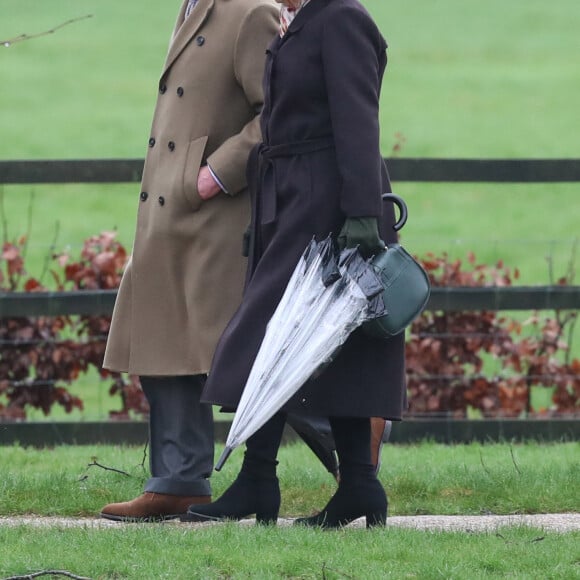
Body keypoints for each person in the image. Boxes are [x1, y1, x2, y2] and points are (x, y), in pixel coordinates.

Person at [183, 0, 406, 529]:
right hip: (293, 202)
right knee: (320, 342)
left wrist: (359, 215)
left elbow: (358, 119)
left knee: (277, 336)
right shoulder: (303, 21)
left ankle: (264, 478)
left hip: (329, 207)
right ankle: (357, 486)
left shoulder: (343, 19)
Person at [99, 0, 279, 522]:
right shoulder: (193, 7)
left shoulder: (252, 12)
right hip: (168, 216)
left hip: (214, 215)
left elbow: (280, 112)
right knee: (160, 339)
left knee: (229, 353)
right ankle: (178, 481)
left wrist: (214, 175)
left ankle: (352, 457)